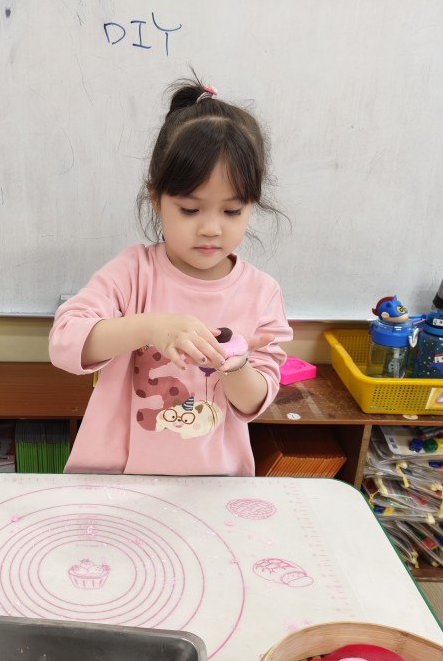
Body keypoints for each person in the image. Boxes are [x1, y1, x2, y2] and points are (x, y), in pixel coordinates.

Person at [49, 78, 293, 476]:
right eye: (190, 210)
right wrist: (149, 327)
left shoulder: (261, 293)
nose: (211, 228)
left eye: (232, 211)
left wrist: (235, 366)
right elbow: (64, 341)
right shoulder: (133, 272)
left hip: (211, 484)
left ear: (252, 205)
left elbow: (253, 403)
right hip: (118, 479)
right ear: (156, 200)